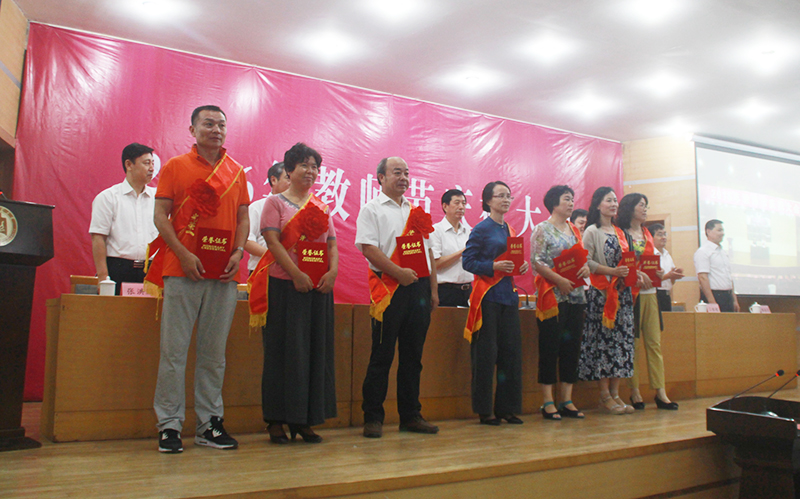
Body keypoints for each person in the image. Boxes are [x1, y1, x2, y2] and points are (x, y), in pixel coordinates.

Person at [146, 105, 250, 453]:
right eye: (208, 124)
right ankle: (169, 425)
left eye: (221, 124)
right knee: (173, 352)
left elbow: (243, 218)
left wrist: (238, 253)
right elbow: (160, 216)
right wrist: (182, 253)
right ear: (192, 129)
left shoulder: (237, 171)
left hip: (223, 275)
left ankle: (209, 425)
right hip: (182, 270)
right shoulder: (176, 166)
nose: (216, 129)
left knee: (213, 354)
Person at [249, 143, 337, 444]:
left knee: (313, 353)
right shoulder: (274, 203)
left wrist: (332, 272)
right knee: (282, 353)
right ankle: (276, 421)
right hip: (284, 286)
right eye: (304, 165)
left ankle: (304, 420)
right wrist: (296, 274)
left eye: (315, 167)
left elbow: (332, 244)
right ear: (289, 170)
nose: (310, 171)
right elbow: (273, 243)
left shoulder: (321, 206)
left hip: (317, 288)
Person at [355, 157, 440, 438]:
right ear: (381, 177)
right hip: (389, 287)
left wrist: (433, 290)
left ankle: (411, 416)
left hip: (419, 289)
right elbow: (368, 248)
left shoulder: (416, 211)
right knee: (382, 356)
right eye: (397, 172)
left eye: (406, 173)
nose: (403, 177)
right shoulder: (371, 209)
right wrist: (398, 273)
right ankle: (373, 417)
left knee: (413, 357)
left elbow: (429, 252)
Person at [462, 181, 529, 425]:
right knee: (486, 355)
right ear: (488, 201)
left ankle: (507, 408)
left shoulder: (511, 230)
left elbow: (512, 261)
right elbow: (468, 262)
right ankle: (485, 410)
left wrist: (521, 266)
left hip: (508, 297)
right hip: (487, 298)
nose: (506, 200)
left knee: (510, 354)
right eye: (500, 196)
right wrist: (493, 265)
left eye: (508, 196)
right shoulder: (481, 229)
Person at [531, 185, 589, 420]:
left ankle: (567, 399)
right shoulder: (542, 229)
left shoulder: (574, 230)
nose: (571, 203)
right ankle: (547, 401)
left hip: (576, 296)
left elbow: (581, 257)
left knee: (571, 348)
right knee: (550, 348)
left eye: (572, 199)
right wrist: (559, 280)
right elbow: (537, 262)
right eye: (566, 199)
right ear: (554, 203)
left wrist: (585, 268)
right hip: (553, 297)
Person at [577, 187, 635, 415]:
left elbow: (628, 262)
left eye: (615, 200)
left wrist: (635, 274)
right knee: (603, 344)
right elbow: (587, 262)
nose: (613, 204)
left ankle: (616, 393)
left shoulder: (621, 232)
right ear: (598, 204)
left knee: (621, 344)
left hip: (622, 295)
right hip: (601, 295)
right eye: (608, 200)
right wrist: (612, 271)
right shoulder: (592, 231)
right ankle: (604, 395)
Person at [617, 194, 677, 411]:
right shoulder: (621, 233)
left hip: (651, 292)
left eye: (646, 206)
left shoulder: (646, 233)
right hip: (630, 294)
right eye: (641, 205)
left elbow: (652, 262)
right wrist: (638, 274)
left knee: (654, 343)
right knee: (632, 344)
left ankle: (660, 392)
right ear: (630, 208)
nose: (645, 209)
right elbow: (622, 262)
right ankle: (634, 391)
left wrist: (660, 273)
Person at [89, 143, 159, 295]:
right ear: (129, 165)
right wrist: (103, 277)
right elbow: (98, 238)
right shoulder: (107, 198)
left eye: (153, 163)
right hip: (118, 270)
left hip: (151, 271)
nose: (152, 168)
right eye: (146, 163)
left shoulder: (158, 198)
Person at [245, 162, 290, 273]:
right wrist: (278, 257)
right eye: (288, 178)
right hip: (263, 270)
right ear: (274, 180)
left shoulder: (300, 209)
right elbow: (247, 241)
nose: (293, 183)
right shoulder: (257, 207)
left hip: (291, 272)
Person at [431, 189, 472, 307]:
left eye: (463, 203)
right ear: (445, 206)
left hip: (467, 291)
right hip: (445, 291)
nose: (461, 207)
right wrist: (462, 252)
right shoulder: (435, 231)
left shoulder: (469, 232)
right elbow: (435, 264)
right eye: (457, 203)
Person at [694, 219, 739, 312]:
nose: (722, 233)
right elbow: (703, 278)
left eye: (723, 230)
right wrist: (712, 303)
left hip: (728, 296)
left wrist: (734, 300)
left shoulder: (723, 252)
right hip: (714, 296)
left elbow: (729, 277)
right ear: (708, 232)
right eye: (719, 230)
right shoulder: (703, 252)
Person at [648, 223, 684, 312]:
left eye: (665, 234)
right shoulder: (650, 255)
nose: (664, 237)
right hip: (655, 294)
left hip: (666, 295)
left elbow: (671, 282)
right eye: (660, 235)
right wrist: (668, 275)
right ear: (651, 237)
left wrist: (675, 275)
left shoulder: (667, 254)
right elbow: (651, 281)